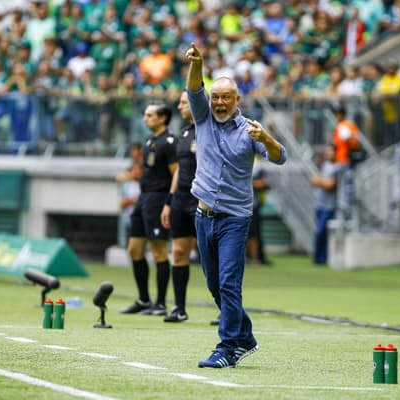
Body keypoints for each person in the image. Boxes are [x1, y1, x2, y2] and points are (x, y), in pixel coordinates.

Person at [185, 42, 287, 368]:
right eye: (215, 97)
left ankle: (227, 348)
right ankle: (245, 335)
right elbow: (194, 87)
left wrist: (267, 139)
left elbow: (280, 157)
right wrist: (197, 63)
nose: (218, 102)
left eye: (225, 97)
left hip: (234, 219)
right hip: (203, 215)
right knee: (215, 286)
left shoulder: (250, 130)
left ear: (237, 100)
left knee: (229, 283)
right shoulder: (203, 118)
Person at [120, 103, 177, 316]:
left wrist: (169, 202)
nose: (146, 119)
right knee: (134, 249)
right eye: (145, 115)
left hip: (158, 199)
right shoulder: (149, 141)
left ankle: (160, 303)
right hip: (143, 198)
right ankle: (144, 299)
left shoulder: (169, 143)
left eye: (150, 115)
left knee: (158, 251)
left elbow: (176, 174)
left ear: (163, 118)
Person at [159, 91, 197, 323]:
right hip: (181, 199)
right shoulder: (183, 133)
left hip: (203, 199)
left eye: (184, 102)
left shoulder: (210, 130)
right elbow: (180, 170)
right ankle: (179, 308)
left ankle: (225, 311)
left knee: (212, 256)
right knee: (179, 252)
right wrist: (169, 201)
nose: (180, 106)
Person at [309, 145, 341, 265]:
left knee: (323, 232)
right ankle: (318, 258)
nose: (328, 153)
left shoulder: (337, 167)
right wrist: (323, 182)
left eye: (331, 151)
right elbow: (313, 180)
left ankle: (323, 258)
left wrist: (321, 182)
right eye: (327, 151)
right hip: (320, 205)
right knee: (318, 232)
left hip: (330, 206)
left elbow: (330, 185)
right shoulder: (325, 166)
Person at [246, 158, 270, 265]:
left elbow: (264, 183)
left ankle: (255, 258)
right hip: (242, 204)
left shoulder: (256, 164)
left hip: (253, 204)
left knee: (254, 233)